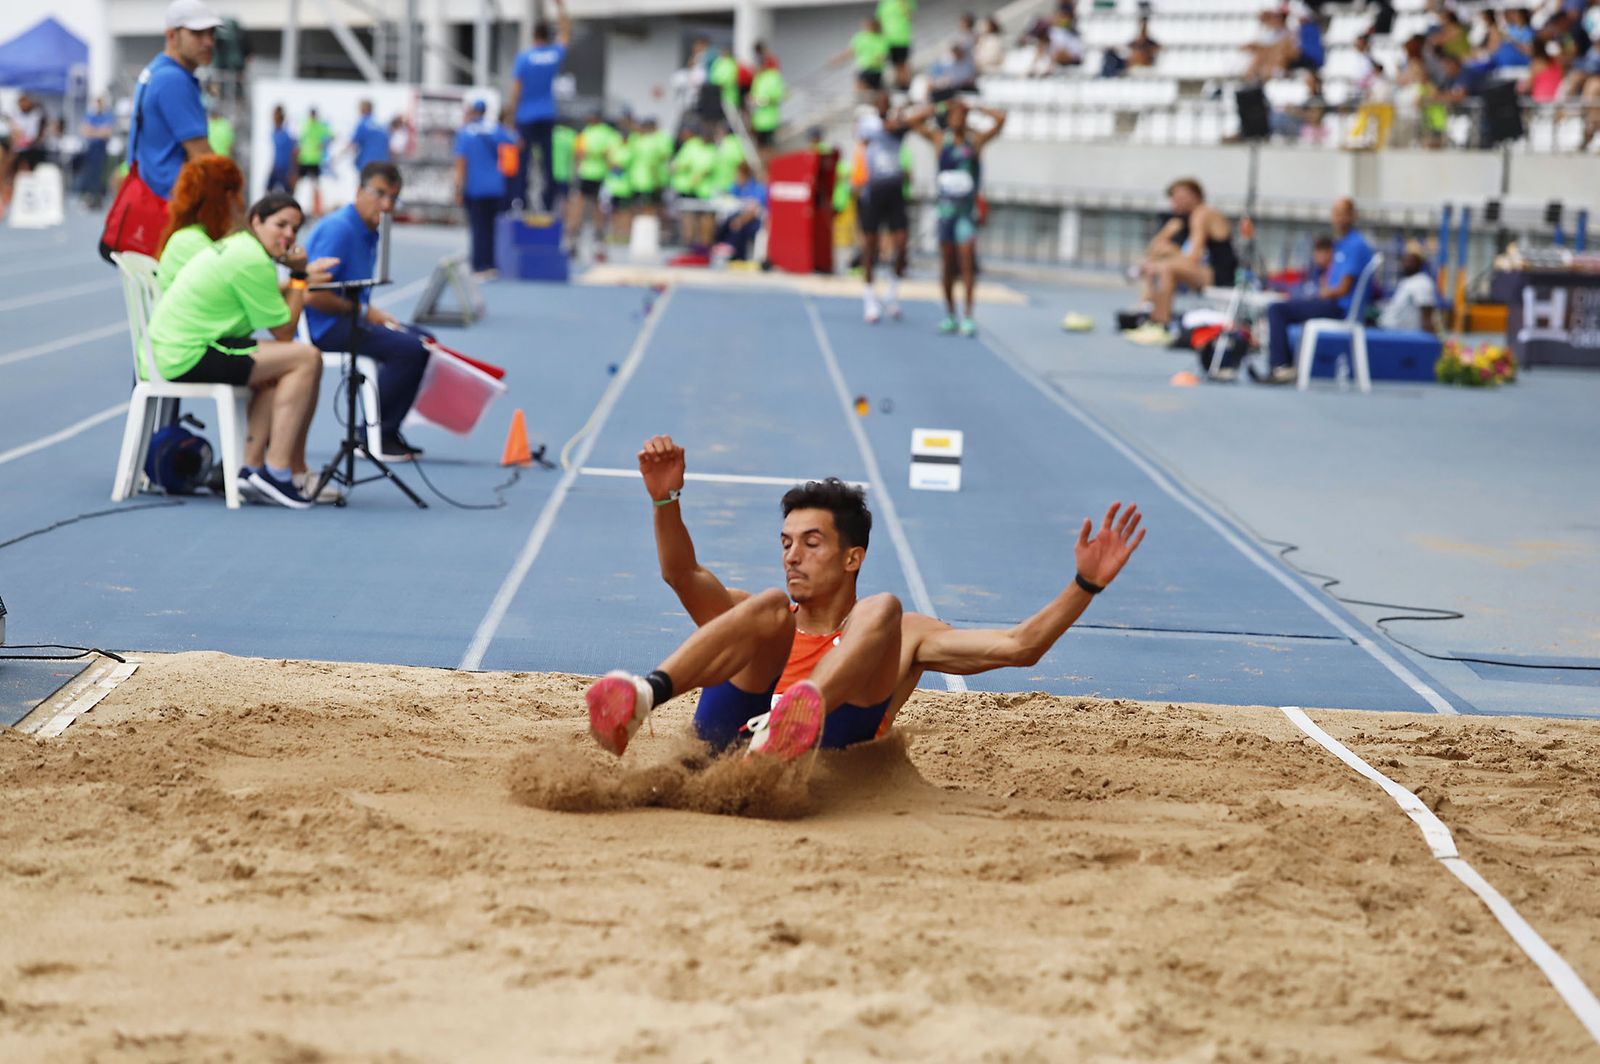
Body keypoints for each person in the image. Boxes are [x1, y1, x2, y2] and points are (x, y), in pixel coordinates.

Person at [583, 437, 1145, 762]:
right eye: (786, 543)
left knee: (883, 610)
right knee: (767, 605)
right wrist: (666, 502)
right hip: (721, 750)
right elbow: (681, 572)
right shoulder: (765, 621)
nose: (792, 555)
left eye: (811, 542)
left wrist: (1085, 585)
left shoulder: (903, 633)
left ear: (852, 556)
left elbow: (1021, 646)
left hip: (812, 757)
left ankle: (790, 721)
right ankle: (642, 696)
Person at [146, 192, 337, 509]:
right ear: (256, 221)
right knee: (306, 358)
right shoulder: (251, 259)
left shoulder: (242, 248)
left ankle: (251, 470)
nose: (289, 235)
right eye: (281, 224)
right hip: (190, 352)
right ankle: (277, 472)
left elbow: (270, 301)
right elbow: (285, 331)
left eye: (295, 228)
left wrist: (295, 280)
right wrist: (300, 277)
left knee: (281, 368)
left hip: (182, 346)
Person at [305, 161, 432, 461]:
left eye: (393, 198)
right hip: (325, 327)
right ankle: (373, 435)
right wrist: (364, 311)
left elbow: (350, 290)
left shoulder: (368, 229)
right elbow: (313, 296)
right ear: (359, 191)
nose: (386, 205)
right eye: (380, 194)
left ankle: (385, 430)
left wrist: (366, 311)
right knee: (410, 350)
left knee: (423, 341)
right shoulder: (339, 229)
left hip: (347, 318)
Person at [907, 98, 1006, 337]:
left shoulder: (975, 142)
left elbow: (1001, 120)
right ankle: (950, 314)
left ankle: (968, 316)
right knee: (948, 266)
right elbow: (912, 120)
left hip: (965, 214)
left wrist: (976, 106)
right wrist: (938, 106)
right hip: (945, 213)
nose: (957, 119)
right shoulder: (941, 140)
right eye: (954, 115)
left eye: (962, 115)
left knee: (967, 264)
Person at [1264, 197, 1374, 384]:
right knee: (1285, 304)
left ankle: (1282, 367)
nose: (1337, 218)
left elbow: (1343, 289)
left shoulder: (1356, 245)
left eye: (1342, 214)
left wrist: (1321, 294)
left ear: (1352, 216)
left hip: (1339, 309)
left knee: (1277, 309)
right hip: (1331, 303)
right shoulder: (1342, 244)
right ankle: (1285, 365)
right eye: (1335, 214)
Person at [1123, 178, 1238, 344]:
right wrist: (1167, 234)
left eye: (1180, 197)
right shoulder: (1184, 219)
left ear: (1195, 196)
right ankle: (1150, 315)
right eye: (1173, 198)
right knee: (1157, 264)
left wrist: (1170, 254)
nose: (1175, 202)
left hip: (1221, 274)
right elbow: (1154, 249)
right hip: (1205, 270)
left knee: (1164, 267)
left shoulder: (1202, 214)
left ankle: (1161, 324)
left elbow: (1193, 257)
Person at [128, 0, 218, 208]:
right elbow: (202, 156)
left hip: (150, 196)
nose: (208, 42)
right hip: (172, 203)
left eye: (211, 33)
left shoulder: (154, 71)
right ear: (171, 36)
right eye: (197, 33)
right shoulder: (173, 79)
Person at [856, 95, 911, 324]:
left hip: (895, 191)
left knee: (901, 243)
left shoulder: (898, 128)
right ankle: (869, 296)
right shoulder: (869, 124)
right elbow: (877, 131)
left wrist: (902, 114)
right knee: (870, 245)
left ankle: (892, 291)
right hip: (874, 190)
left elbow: (911, 122)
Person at [511, 0, 570, 211]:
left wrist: (511, 118)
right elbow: (565, 33)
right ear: (547, 36)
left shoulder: (524, 58)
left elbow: (516, 90)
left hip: (526, 115)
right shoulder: (554, 54)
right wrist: (560, 8)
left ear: (533, 35)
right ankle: (547, 203)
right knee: (547, 163)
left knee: (523, 163)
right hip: (547, 113)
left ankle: (519, 201)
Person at [155, 155, 245, 290]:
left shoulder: (186, 236)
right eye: (237, 194)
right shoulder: (192, 242)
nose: (241, 202)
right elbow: (241, 286)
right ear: (227, 198)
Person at [454, 100, 515, 275]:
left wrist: (458, 188)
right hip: (497, 186)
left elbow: (461, 162)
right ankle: (492, 263)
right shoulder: (496, 130)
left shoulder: (465, 132)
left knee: (478, 227)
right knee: (492, 227)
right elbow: (516, 143)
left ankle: (479, 264)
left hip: (475, 188)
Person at [566, 109, 621, 256]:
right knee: (598, 208)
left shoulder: (585, 133)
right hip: (601, 175)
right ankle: (598, 239)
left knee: (580, 205)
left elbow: (578, 154)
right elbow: (612, 157)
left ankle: (573, 237)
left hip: (587, 173)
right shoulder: (608, 134)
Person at [1376, 244, 1437, 333]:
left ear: (1419, 263)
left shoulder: (1422, 282)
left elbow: (1426, 314)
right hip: (1391, 332)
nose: (1406, 264)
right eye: (1405, 260)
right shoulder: (1406, 281)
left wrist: (1429, 342)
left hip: (1407, 337)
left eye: (1411, 261)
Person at [714, 162, 767, 262]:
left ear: (744, 175)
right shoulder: (737, 187)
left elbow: (754, 211)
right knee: (725, 224)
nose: (736, 177)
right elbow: (729, 198)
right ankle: (720, 247)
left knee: (738, 228)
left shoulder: (757, 188)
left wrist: (740, 221)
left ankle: (737, 255)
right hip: (739, 217)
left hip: (753, 220)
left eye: (737, 175)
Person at [626, 116, 671, 226]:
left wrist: (656, 180)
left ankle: (651, 229)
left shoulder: (656, 140)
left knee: (652, 207)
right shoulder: (638, 139)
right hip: (639, 180)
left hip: (649, 181)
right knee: (642, 207)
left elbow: (656, 162)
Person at [78, 96, 115, 209]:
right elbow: (85, 131)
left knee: (100, 174)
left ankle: (98, 198)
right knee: (89, 174)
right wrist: (99, 131)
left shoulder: (108, 116)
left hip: (101, 148)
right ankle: (89, 197)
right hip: (91, 148)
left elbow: (107, 133)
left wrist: (93, 131)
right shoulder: (90, 116)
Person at [749, 45, 786, 156]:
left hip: (770, 119)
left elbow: (779, 95)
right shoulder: (758, 77)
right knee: (761, 145)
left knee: (769, 145)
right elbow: (753, 95)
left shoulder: (774, 76)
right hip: (758, 119)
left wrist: (766, 101)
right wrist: (753, 100)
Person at [836, 15, 889, 93]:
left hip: (875, 70)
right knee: (860, 85)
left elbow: (883, 55)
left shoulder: (881, 39)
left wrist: (876, 62)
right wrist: (838, 59)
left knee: (872, 88)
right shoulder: (860, 37)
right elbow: (851, 51)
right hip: (863, 69)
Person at [296, 107, 333, 216]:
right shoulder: (305, 125)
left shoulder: (319, 126)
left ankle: (315, 208)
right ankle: (298, 204)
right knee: (301, 184)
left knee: (315, 184)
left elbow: (331, 136)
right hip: (304, 158)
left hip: (314, 159)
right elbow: (299, 140)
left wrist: (323, 145)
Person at [879, 0, 917, 90]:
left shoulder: (907, 2)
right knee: (895, 65)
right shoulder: (884, 3)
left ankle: (906, 87)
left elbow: (909, 17)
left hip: (902, 38)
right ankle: (901, 87)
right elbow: (880, 21)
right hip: (888, 40)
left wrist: (902, 3)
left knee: (902, 64)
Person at [349, 100, 390, 175]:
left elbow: (353, 143)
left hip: (368, 162)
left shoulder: (363, 123)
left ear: (364, 109)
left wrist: (337, 158)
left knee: (366, 185)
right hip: (383, 162)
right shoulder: (381, 124)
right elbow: (387, 144)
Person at [267, 105, 296, 193]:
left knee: (288, 194)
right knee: (269, 191)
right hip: (277, 168)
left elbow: (293, 153)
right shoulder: (275, 132)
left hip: (285, 169)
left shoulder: (286, 134)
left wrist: (293, 172)